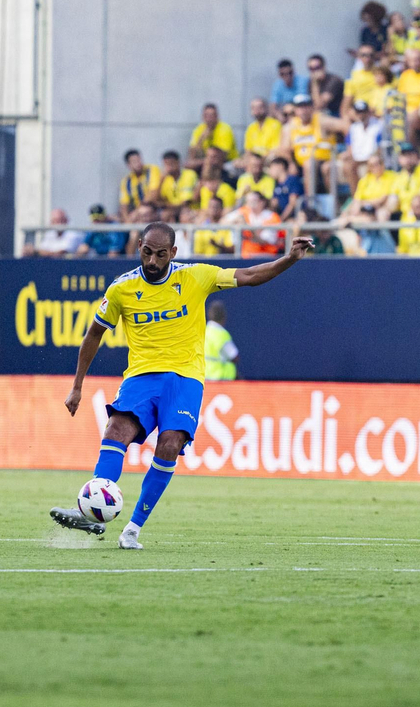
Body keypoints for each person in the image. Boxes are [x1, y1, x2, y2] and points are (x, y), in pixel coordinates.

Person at [52, 224, 313, 548]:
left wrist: (288, 259)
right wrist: (77, 386)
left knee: (170, 444)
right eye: (147, 252)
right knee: (115, 429)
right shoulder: (122, 289)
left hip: (185, 378)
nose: (152, 260)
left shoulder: (195, 276)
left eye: (160, 254)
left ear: (173, 253)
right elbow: (94, 334)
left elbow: (248, 275)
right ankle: (91, 513)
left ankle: (132, 529)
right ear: (139, 248)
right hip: (142, 376)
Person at [203, 299, 239, 381]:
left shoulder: (204, 331)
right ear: (224, 317)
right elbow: (234, 356)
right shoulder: (221, 334)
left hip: (205, 378)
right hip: (221, 380)